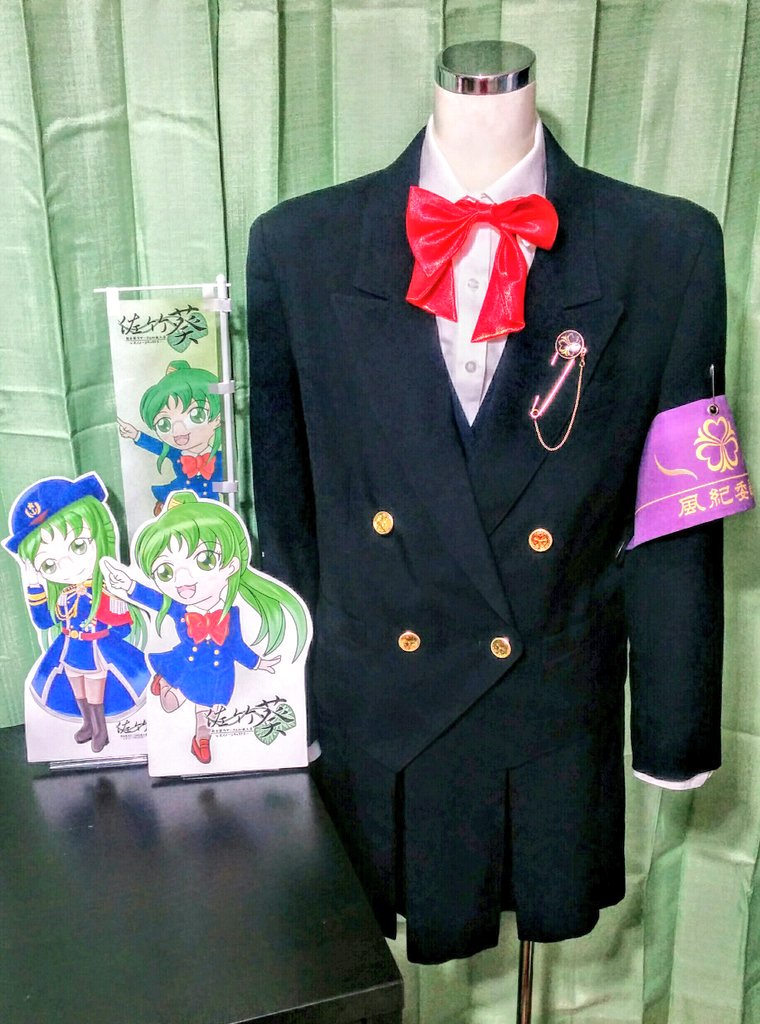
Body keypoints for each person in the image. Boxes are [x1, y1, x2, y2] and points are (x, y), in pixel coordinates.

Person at [102, 491, 309, 764]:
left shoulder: (232, 614)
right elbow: (154, 599)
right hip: (187, 663)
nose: (183, 579)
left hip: (218, 670)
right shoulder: (179, 608)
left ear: (231, 565)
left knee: (207, 703)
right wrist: (128, 586)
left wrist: (259, 663)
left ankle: (200, 734)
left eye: (204, 560)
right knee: (179, 699)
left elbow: (237, 646)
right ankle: (172, 687)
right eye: (165, 572)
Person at [3, 473, 149, 752]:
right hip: (69, 647)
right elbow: (43, 620)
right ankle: (88, 724)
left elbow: (124, 628)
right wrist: (34, 583)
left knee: (94, 689)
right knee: (76, 687)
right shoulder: (64, 594)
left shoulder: (104, 590)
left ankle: (101, 729)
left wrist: (112, 607)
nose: (68, 565)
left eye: (79, 546)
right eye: (49, 564)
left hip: (97, 647)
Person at [118, 359, 223, 514]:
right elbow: (157, 446)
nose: (178, 429)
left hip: (212, 511)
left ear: (218, 418)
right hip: (179, 505)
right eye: (164, 424)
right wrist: (136, 435)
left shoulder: (221, 458)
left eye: (196, 415)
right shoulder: (176, 454)